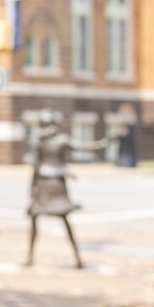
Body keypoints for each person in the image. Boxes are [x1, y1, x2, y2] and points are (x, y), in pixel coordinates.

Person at [25, 109, 107, 269]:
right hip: (54, 182)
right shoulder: (56, 139)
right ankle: (77, 258)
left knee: (38, 219)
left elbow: (36, 166)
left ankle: (31, 256)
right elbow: (81, 147)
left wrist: (32, 189)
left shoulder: (40, 140)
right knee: (62, 219)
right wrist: (101, 144)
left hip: (44, 182)